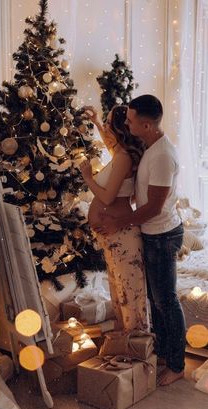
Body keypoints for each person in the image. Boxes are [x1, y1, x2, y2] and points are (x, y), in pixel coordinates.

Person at [94, 95, 186, 386]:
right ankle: (161, 353)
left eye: (131, 120)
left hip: (162, 236)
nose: (126, 123)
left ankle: (176, 363)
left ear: (145, 125)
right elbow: (116, 147)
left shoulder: (161, 156)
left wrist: (119, 222)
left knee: (166, 301)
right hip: (152, 234)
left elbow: (153, 208)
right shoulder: (149, 145)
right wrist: (98, 123)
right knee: (157, 301)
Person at [80, 105, 149, 333]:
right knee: (119, 294)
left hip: (122, 235)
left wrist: (88, 178)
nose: (107, 127)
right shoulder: (120, 154)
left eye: (110, 122)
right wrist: (97, 123)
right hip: (113, 236)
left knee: (131, 296)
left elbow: (108, 198)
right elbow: (112, 145)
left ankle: (138, 349)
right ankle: (126, 347)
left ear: (119, 128)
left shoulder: (123, 158)